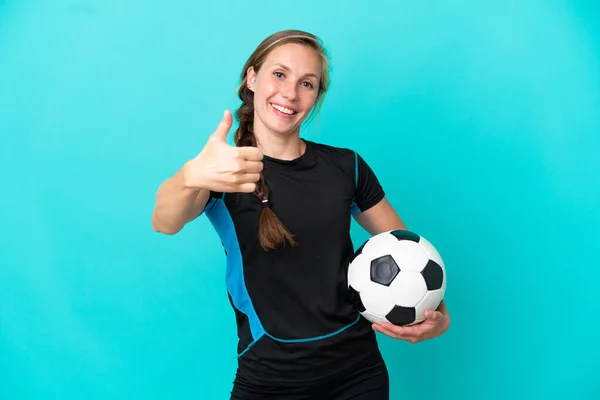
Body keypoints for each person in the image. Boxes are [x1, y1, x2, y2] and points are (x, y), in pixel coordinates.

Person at [152, 29, 450, 400]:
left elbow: (407, 253)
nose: (290, 94)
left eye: (306, 83)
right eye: (279, 74)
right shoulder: (224, 170)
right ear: (252, 77)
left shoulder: (346, 166)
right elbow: (164, 222)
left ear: (316, 95)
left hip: (358, 375)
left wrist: (439, 317)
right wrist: (189, 175)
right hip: (269, 381)